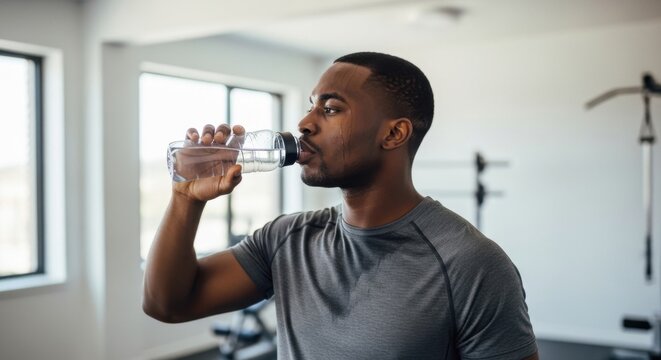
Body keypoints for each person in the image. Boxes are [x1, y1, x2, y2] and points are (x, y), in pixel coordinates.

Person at [143, 52, 539, 360]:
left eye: (330, 109)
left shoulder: (470, 263)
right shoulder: (286, 239)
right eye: (312, 105)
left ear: (394, 133)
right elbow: (167, 303)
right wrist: (185, 197)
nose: (304, 122)